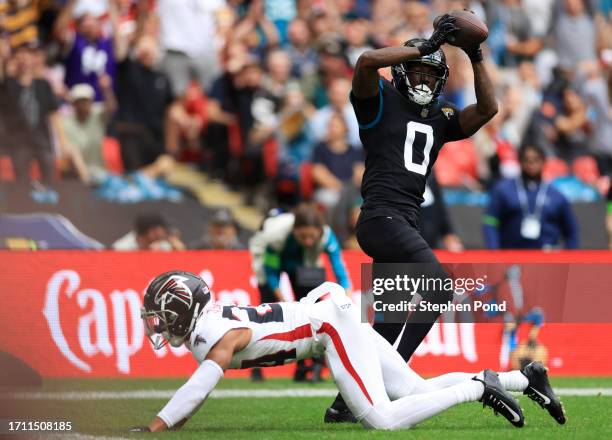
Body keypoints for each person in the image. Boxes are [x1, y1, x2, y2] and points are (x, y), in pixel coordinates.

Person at [327, 13, 499, 422]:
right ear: (402, 70)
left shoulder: (439, 117)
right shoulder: (378, 100)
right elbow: (367, 60)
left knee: (386, 321)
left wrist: (474, 56)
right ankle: (394, 378)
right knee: (438, 286)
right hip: (380, 218)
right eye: (417, 71)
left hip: (404, 222)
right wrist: (423, 47)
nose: (423, 79)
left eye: (430, 74)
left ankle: (342, 406)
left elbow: (489, 108)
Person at [132, 271, 567, 433]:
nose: (157, 323)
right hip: (330, 315)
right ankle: (526, 379)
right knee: (415, 389)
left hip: (329, 327)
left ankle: (479, 389)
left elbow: (202, 383)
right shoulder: (210, 326)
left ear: (181, 309)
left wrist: (157, 425)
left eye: (159, 314)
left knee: (384, 420)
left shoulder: (212, 336)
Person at [248, 202, 350, 382]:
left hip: (305, 263)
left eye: (312, 236)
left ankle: (312, 365)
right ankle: (256, 369)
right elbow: (271, 273)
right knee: (265, 312)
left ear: (320, 231)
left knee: (315, 311)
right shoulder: (275, 236)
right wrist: (285, 302)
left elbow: (339, 269)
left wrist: (346, 294)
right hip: (273, 262)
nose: (309, 241)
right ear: (294, 231)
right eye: (303, 236)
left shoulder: (327, 236)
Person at [483, 144, 579, 249]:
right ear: (520, 161)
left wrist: (569, 260)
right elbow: (490, 222)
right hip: (512, 256)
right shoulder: (503, 190)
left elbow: (571, 230)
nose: (531, 164)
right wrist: (494, 253)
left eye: (536, 159)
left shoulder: (556, 195)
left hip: (546, 257)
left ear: (543, 162)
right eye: (527, 159)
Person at [112, 213, 185, 251]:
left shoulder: (162, 246)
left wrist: (174, 242)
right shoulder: (122, 248)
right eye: (163, 228)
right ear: (151, 232)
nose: (166, 231)